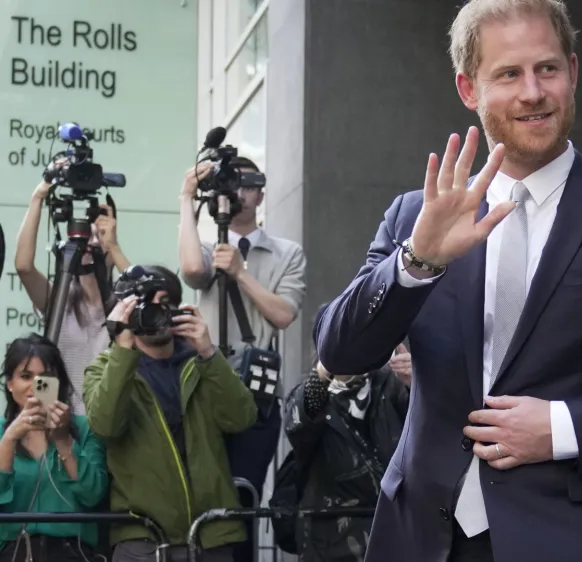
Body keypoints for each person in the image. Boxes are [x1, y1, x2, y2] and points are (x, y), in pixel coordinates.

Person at [313, 1, 582, 561]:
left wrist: (565, 427)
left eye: (547, 69)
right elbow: (339, 351)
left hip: (574, 538)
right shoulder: (417, 217)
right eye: (509, 74)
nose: (533, 92)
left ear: (573, 71)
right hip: (422, 536)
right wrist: (416, 261)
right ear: (469, 88)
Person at [178, 157, 306, 562]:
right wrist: (186, 198)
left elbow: (283, 314)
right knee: (204, 492)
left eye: (246, 184)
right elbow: (191, 270)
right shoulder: (206, 247)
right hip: (207, 384)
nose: (238, 193)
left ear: (261, 193)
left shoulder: (286, 252)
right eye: (229, 184)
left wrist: (240, 271)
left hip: (257, 393)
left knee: (243, 495)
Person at [83, 266, 258, 562]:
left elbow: (243, 418)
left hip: (211, 536)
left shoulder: (203, 364)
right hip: (143, 538)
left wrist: (209, 353)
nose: (157, 313)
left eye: (165, 303)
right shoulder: (105, 370)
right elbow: (106, 426)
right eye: (146, 306)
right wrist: (123, 349)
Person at [14, 179, 131, 414]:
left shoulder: (123, 305)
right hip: (61, 419)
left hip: (109, 419)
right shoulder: (60, 301)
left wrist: (114, 246)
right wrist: (38, 198)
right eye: (85, 236)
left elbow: (145, 295)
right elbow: (24, 267)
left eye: (99, 236)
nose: (90, 243)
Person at [282, 358, 409, 561]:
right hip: (328, 535)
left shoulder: (390, 383)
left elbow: (429, 425)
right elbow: (296, 425)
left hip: (391, 529)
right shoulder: (314, 391)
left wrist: (416, 382)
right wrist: (325, 371)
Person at [0, 334, 107, 562]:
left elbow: (93, 494)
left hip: (72, 552)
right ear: (10, 384)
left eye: (46, 378)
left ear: (59, 383)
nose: (35, 386)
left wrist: (63, 440)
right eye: (25, 376)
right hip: (13, 552)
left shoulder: (84, 428)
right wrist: (9, 440)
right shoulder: (3, 432)